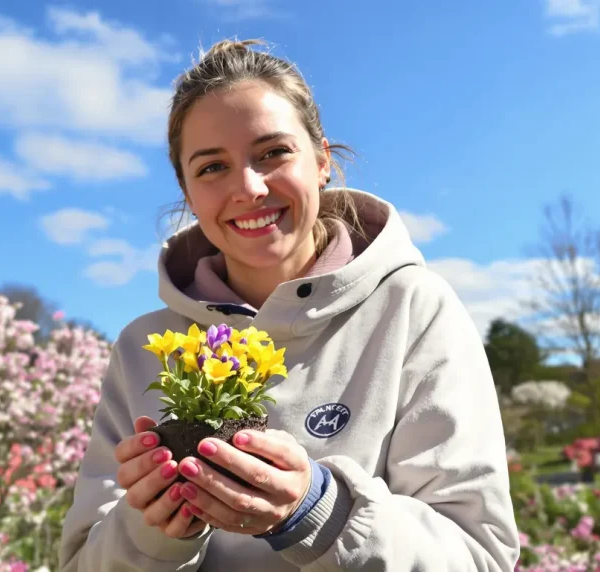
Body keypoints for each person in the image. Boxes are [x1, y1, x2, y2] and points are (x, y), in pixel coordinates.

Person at [59, 38, 520, 572]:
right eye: (212, 168)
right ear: (187, 191)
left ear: (322, 160)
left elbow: (478, 555)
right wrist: (150, 533)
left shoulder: (414, 310)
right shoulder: (144, 348)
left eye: (273, 153)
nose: (249, 188)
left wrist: (317, 512)